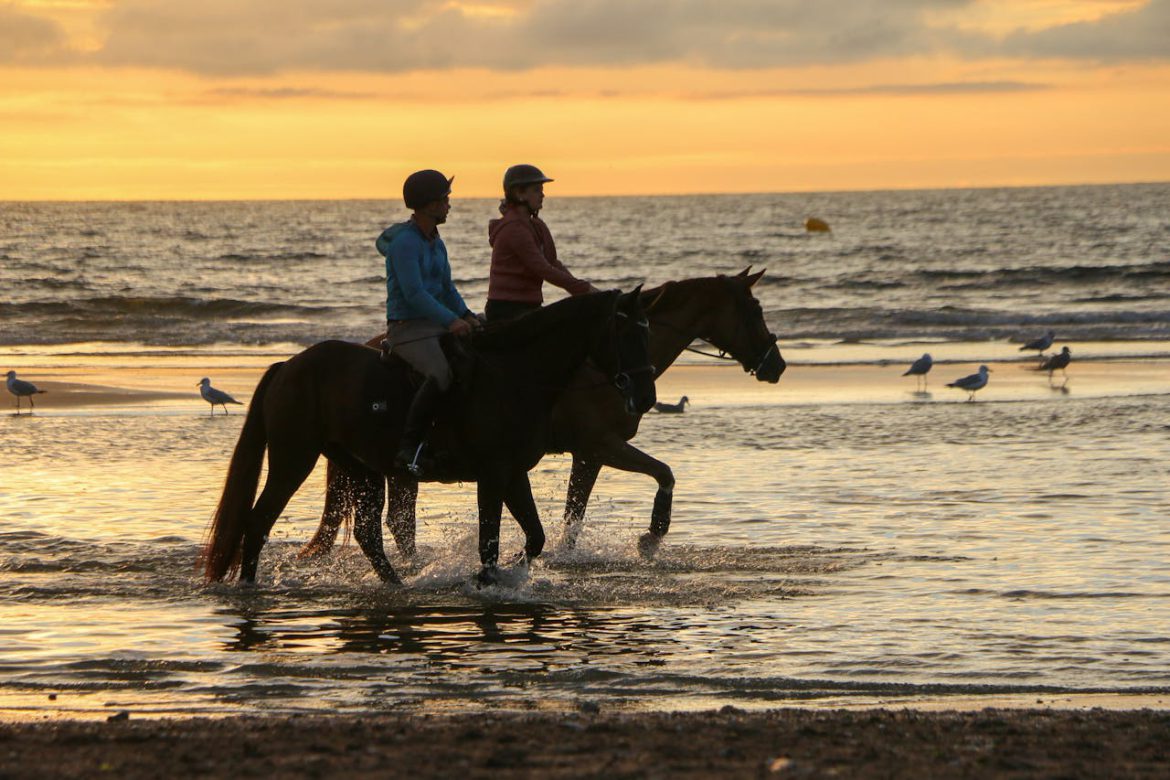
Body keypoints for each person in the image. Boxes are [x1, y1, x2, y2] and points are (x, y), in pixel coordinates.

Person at [379, 169, 481, 475]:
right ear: (428, 204)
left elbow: (446, 287)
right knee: (440, 372)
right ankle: (410, 449)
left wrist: (466, 315)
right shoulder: (405, 244)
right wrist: (451, 321)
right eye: (445, 199)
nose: (449, 205)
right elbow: (414, 294)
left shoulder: (436, 241)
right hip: (407, 328)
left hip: (434, 323)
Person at [485, 164, 597, 323]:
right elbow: (543, 269)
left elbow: (552, 262)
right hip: (507, 310)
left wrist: (581, 291)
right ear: (519, 194)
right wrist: (585, 289)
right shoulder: (514, 229)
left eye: (542, 189)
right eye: (537, 190)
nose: (542, 195)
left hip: (530, 306)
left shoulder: (537, 226)